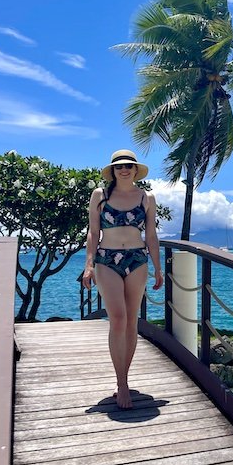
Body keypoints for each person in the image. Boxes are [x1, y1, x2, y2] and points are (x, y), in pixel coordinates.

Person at [82, 149, 163, 409]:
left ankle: (124, 378)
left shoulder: (146, 197)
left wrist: (158, 269)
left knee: (130, 322)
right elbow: (93, 233)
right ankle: (121, 384)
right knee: (117, 319)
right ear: (113, 171)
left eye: (129, 165)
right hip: (107, 259)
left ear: (136, 169)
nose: (124, 169)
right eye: (119, 166)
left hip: (137, 260)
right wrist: (89, 265)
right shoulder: (100, 195)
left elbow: (151, 235)